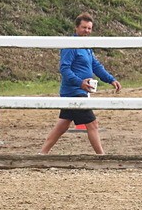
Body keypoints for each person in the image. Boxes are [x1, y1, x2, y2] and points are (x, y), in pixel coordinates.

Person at [40, 12, 122, 155]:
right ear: (76, 27)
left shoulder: (86, 46)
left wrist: (111, 79)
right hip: (74, 92)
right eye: (84, 27)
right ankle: (101, 157)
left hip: (77, 91)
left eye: (89, 28)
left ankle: (42, 154)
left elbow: (95, 65)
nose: (87, 31)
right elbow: (64, 68)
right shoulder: (71, 46)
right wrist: (79, 83)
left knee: (63, 125)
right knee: (92, 124)